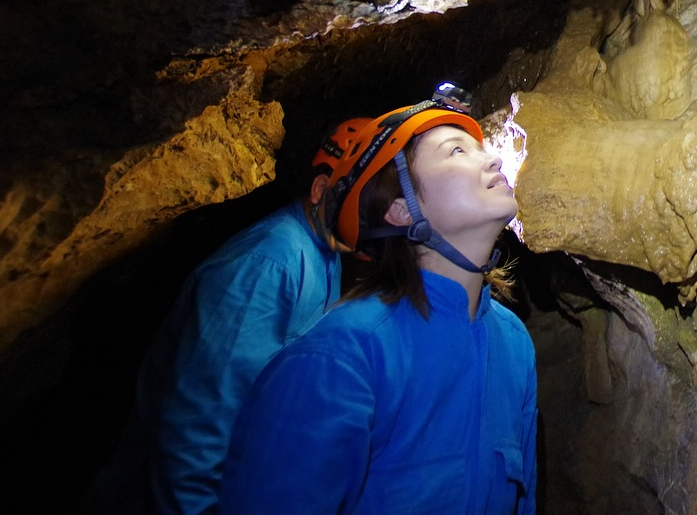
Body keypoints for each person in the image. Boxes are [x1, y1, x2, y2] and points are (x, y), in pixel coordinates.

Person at [219, 87, 537, 515]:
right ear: (400, 210)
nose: (494, 159)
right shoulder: (338, 358)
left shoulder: (513, 342)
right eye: (457, 150)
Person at [119, 118, 365, 514]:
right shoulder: (268, 265)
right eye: (357, 198)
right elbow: (197, 429)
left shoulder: (326, 249)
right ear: (321, 189)